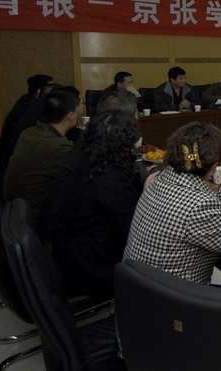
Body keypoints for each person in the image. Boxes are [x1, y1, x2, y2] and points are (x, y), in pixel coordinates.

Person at [123, 122, 221, 285]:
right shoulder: (199, 206)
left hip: (138, 286)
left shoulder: (162, 179)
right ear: (214, 164)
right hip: (173, 294)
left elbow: (205, 203)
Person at [51, 110, 150, 299]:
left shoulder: (88, 163)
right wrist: (149, 195)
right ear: (125, 143)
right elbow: (134, 233)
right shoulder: (111, 180)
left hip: (70, 255)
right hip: (91, 268)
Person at [3, 87, 82, 221]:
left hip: (17, 212)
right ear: (71, 116)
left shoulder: (29, 133)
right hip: (37, 218)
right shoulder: (59, 147)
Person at [0, 73, 53, 170]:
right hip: (11, 162)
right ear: (40, 91)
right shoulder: (33, 109)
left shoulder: (26, 101)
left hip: (7, 158)